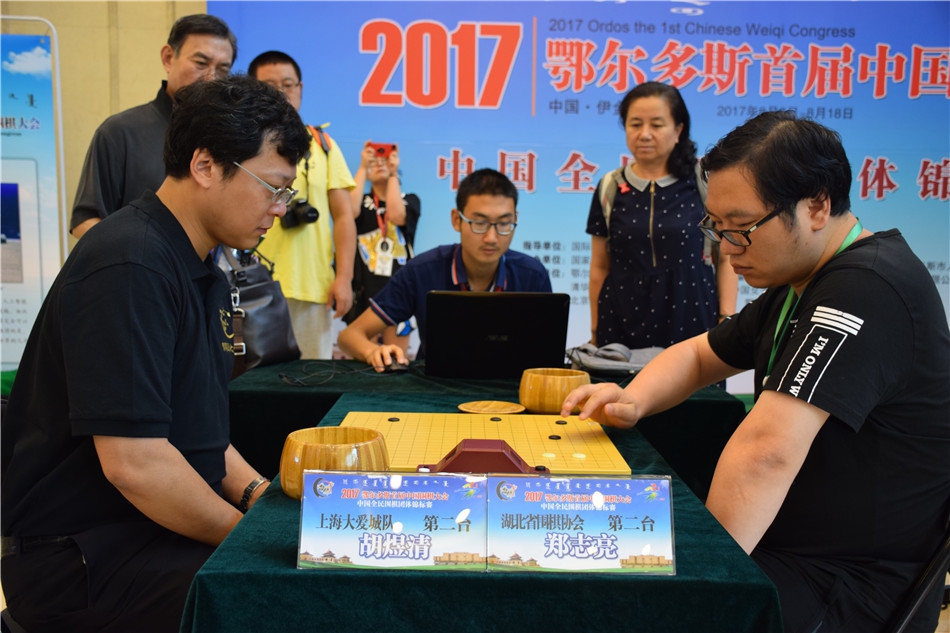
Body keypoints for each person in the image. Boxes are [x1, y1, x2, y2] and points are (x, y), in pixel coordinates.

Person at [561, 111, 950, 633]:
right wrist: (635, 398)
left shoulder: (865, 287)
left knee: (621, 606)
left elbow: (767, 453)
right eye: (716, 227)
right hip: (790, 547)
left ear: (816, 206)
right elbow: (700, 355)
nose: (725, 248)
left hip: (846, 583)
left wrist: (704, 584)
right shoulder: (801, 281)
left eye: (741, 228)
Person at [1, 76, 312, 631]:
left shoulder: (200, 263)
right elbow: (136, 464)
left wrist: (259, 496)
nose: (278, 209)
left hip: (146, 532)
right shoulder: (131, 262)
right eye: (272, 187)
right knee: (291, 599)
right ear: (205, 165)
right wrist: (251, 540)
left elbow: (199, 433)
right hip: (83, 559)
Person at [338, 168, 552, 371]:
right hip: (436, 385)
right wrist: (373, 351)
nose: (491, 238)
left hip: (511, 386)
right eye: (479, 223)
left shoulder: (532, 275)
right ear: (456, 220)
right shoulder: (422, 271)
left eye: (504, 223)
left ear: (515, 219)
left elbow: (547, 351)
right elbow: (349, 336)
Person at [587, 81, 737, 348]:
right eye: (635, 124)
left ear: (678, 130)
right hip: (621, 321)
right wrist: (596, 328)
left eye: (656, 125)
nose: (644, 134)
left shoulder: (703, 181)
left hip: (690, 315)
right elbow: (599, 266)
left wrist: (726, 319)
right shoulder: (610, 185)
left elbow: (725, 256)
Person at [70, 13, 237, 239]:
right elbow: (85, 221)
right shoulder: (120, 132)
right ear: (168, 58)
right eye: (200, 63)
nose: (211, 77)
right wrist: (139, 253)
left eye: (223, 69)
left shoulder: (229, 138)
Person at [248, 50, 357, 359]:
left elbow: (344, 215)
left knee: (313, 378)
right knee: (252, 379)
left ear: (301, 88)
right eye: (270, 86)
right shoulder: (241, 144)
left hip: (313, 286)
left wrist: (344, 277)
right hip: (254, 285)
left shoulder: (324, 145)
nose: (282, 93)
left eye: (288, 85)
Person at [344, 140, 421, 353]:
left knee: (397, 358)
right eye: (375, 162)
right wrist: (362, 167)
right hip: (363, 289)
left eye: (386, 161)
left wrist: (393, 174)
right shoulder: (362, 201)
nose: (380, 164)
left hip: (399, 289)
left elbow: (397, 216)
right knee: (361, 357)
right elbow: (349, 212)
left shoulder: (410, 200)